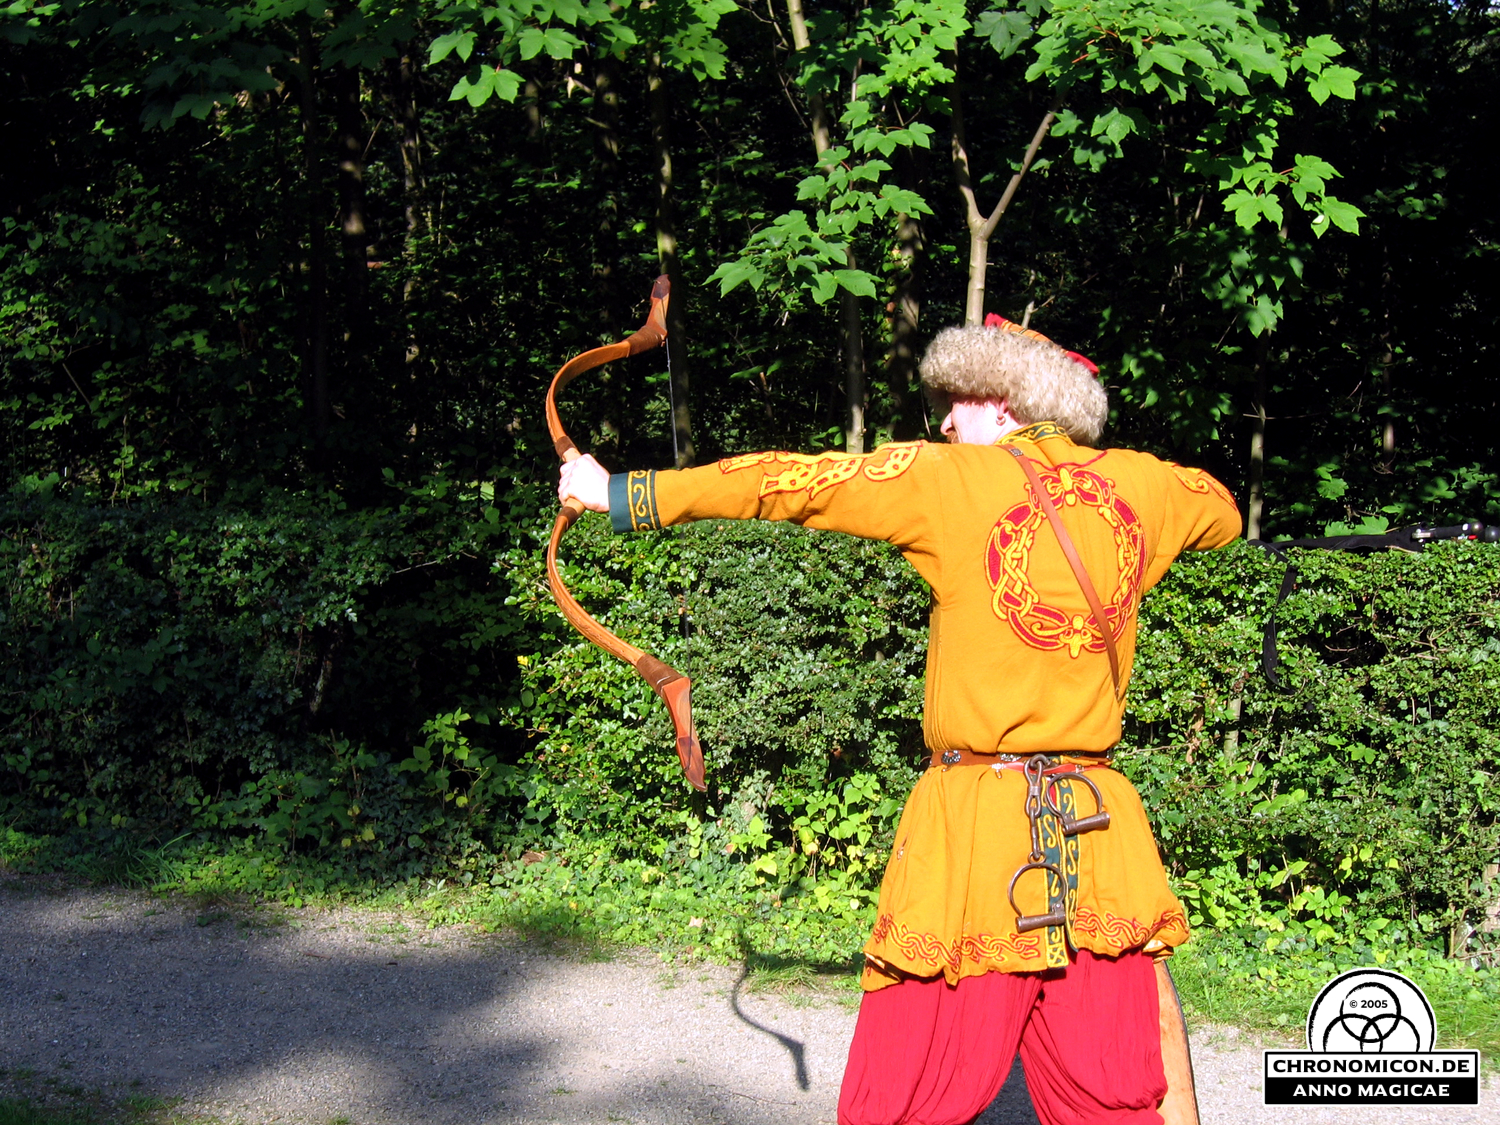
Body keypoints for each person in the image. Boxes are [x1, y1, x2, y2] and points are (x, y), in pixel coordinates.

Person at [558, 317, 1241, 1125]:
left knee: (905, 1097)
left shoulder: (951, 479)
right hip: (1101, 843)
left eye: (958, 402)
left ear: (1004, 402)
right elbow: (1223, 511)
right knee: (1111, 1100)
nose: (946, 422)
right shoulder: (1146, 487)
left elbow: (788, 480)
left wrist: (620, 492)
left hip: (976, 841)